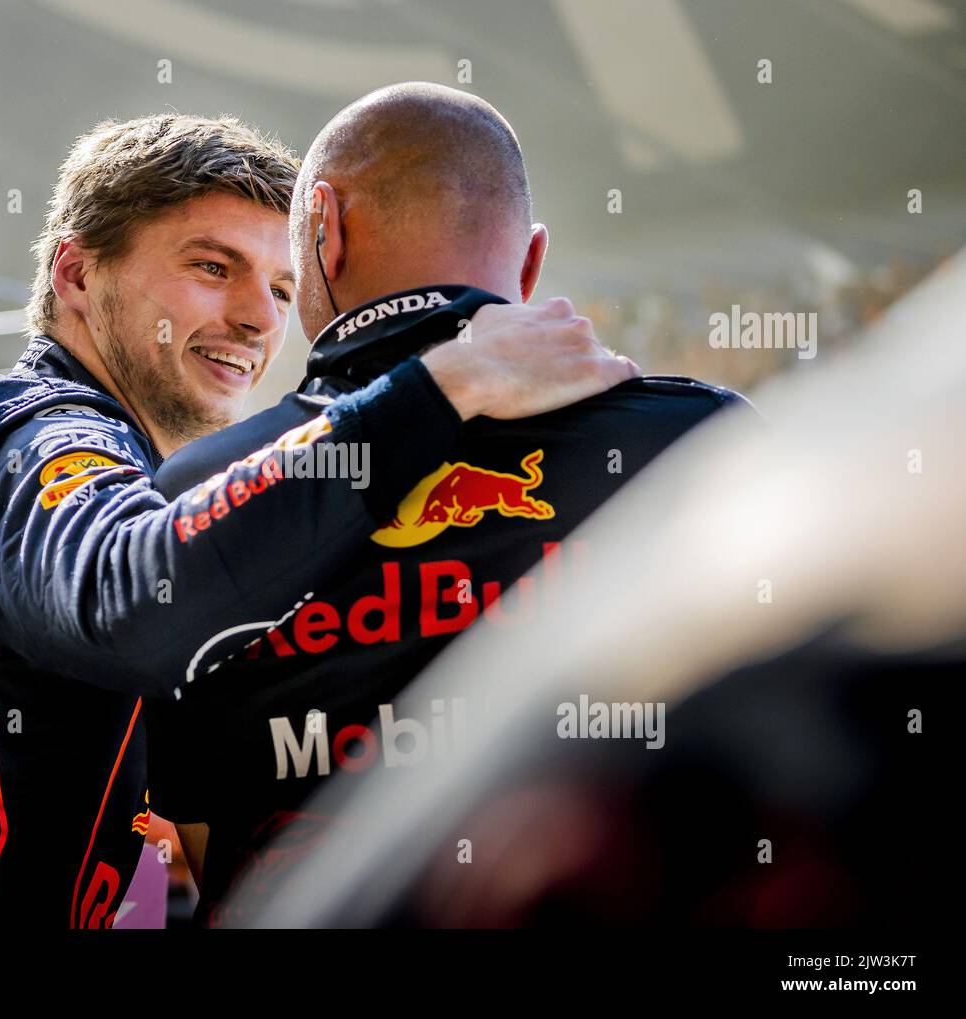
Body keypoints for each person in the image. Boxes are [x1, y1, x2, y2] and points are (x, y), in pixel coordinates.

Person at [0, 113, 635, 928]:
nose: (256, 318)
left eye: (284, 288)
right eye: (212, 268)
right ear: (75, 274)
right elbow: (137, 600)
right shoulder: (39, 433)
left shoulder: (9, 438)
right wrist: (444, 385)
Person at [145, 83, 747, 926]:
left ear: (323, 227)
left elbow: (200, 845)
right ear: (530, 263)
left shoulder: (192, 498)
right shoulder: (705, 440)